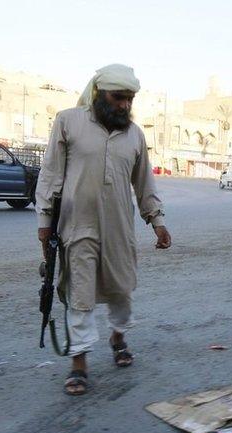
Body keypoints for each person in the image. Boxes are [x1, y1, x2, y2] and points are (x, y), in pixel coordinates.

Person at [35, 64, 171, 396]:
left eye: (130, 99)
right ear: (99, 94)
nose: (125, 105)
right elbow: (51, 174)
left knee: (121, 291)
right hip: (76, 226)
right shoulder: (68, 121)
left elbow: (143, 183)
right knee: (79, 297)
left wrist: (157, 221)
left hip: (119, 228)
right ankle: (79, 363)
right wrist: (44, 223)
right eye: (118, 97)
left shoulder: (135, 134)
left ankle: (118, 337)